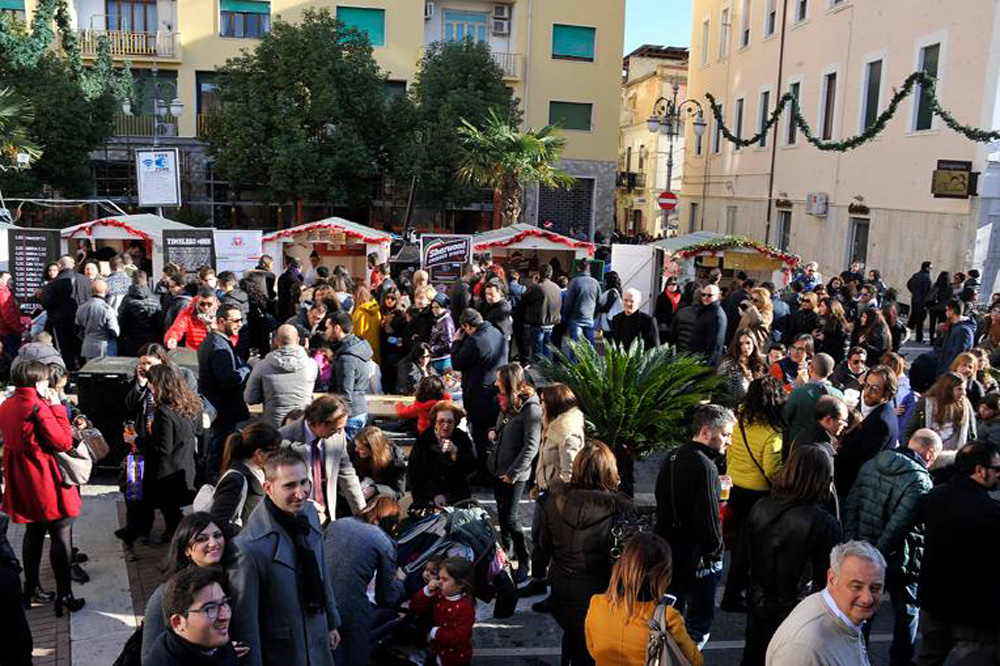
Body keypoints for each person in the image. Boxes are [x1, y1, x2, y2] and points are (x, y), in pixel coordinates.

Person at [727, 446, 843, 665]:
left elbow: (741, 556)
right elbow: (829, 577)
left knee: (754, 655)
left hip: (759, 602)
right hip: (799, 610)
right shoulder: (823, 523)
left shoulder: (761, 507)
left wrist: (733, 594)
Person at [229, 448, 342, 666]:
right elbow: (246, 622)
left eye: (304, 482)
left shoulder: (309, 514)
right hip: (284, 654)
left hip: (317, 640)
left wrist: (330, 622)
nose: (300, 493)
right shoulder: (247, 547)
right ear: (268, 488)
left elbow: (321, 572)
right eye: (289, 485)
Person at [843, 429, 942, 666]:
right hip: (901, 560)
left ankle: (858, 658)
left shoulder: (872, 464)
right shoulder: (919, 480)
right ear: (929, 454)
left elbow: (851, 506)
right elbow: (899, 526)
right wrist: (877, 557)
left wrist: (854, 548)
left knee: (862, 610)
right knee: (907, 612)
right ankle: (900, 661)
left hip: (864, 551)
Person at [0, 360, 84, 614]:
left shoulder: (7, 404)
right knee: (60, 534)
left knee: (33, 533)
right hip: (46, 479)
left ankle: (30, 589)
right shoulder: (39, 407)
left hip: (22, 479)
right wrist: (57, 406)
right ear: (39, 382)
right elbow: (63, 440)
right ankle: (64, 595)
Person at [541, 441, 633, 666]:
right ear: (610, 470)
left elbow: (544, 545)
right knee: (593, 648)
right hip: (599, 591)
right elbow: (628, 557)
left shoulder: (553, 500)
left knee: (572, 637)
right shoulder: (620, 508)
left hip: (562, 585)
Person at [655, 404, 735, 647]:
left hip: (669, 551)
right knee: (697, 629)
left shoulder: (673, 455)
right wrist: (715, 552)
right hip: (695, 556)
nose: (729, 441)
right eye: (725, 434)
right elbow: (709, 519)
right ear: (705, 431)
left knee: (670, 617)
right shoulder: (704, 465)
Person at [917, 441, 1000, 665]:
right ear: (981, 470)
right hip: (973, 609)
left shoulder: (933, 498)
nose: (998, 475)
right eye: (997, 469)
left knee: (928, 657)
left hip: (934, 599)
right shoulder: (991, 511)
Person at [584, 533, 703, 666]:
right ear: (662, 575)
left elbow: (593, 650)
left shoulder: (597, 604)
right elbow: (696, 662)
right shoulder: (667, 617)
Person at [721, 376, 786, 610]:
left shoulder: (738, 419)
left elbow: (729, 452)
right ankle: (740, 596)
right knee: (753, 549)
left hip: (735, 488)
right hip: (758, 496)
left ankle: (731, 593)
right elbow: (772, 470)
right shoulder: (773, 432)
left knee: (739, 545)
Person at [765, 541, 886, 666]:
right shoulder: (804, 647)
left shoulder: (842, 613)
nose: (867, 599)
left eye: (875, 588)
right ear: (832, 579)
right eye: (856, 586)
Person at [521, 382, 587, 601]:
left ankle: (556, 593)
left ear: (554, 404)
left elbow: (569, 472)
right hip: (545, 494)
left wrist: (549, 491)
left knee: (556, 547)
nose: (540, 405)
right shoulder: (553, 424)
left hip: (558, 499)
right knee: (539, 540)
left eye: (543, 401)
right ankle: (538, 581)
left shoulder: (567, 431)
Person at [325, 497, 405, 666]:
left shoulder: (337, 524)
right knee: (355, 657)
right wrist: (400, 582)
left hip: (320, 601)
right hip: (351, 610)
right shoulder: (384, 542)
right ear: (392, 523)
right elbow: (386, 597)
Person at [141, 513, 230, 662]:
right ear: (186, 550)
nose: (213, 543)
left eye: (217, 535)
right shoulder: (167, 593)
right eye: (202, 539)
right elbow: (149, 656)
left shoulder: (230, 578)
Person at [487, 363, 542, 582]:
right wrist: (494, 431)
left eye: (499, 379)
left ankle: (523, 559)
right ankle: (506, 556)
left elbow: (531, 446)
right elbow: (502, 426)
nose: (495, 383)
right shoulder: (509, 402)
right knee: (502, 515)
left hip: (514, 474)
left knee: (511, 518)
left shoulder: (531, 408)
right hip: (499, 469)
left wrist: (512, 473)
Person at [279, 395, 366, 523]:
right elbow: (280, 483)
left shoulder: (337, 437)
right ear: (320, 423)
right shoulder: (284, 439)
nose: (339, 432)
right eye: (335, 428)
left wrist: (362, 514)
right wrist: (306, 504)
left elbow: (347, 473)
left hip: (327, 513)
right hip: (295, 516)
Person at [142, 364, 202, 541]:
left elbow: (163, 448)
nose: (149, 387)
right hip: (187, 466)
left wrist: (137, 440)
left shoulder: (163, 412)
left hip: (166, 474)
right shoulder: (192, 404)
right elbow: (199, 431)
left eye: (151, 383)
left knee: (172, 517)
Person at [145, 566, 239, 666]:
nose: (225, 616)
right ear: (178, 622)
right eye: (210, 608)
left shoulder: (213, 644)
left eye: (224, 602)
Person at [199, 305, 251, 481]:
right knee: (220, 452)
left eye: (240, 320)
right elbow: (227, 380)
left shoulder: (216, 341)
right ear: (221, 321)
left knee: (220, 449)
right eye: (235, 320)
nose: (239, 324)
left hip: (220, 408)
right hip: (223, 409)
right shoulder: (217, 345)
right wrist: (246, 368)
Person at [451, 308, 507, 464]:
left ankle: (484, 471)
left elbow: (456, 363)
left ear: (467, 326)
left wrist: (456, 342)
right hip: (495, 392)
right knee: (492, 433)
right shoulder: (496, 332)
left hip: (479, 396)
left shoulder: (475, 340)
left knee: (480, 437)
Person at [836, 365, 899, 501]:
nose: (867, 392)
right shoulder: (875, 410)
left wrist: (839, 447)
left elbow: (863, 460)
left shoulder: (881, 422)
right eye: (866, 386)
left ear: (887, 393)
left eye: (875, 389)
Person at [211, 422, 280, 536]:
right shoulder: (235, 479)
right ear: (259, 453)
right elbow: (219, 521)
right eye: (274, 451)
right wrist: (247, 535)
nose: (278, 455)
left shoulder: (260, 471)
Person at [243, 325, 318, 428]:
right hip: (302, 425)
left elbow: (250, 398)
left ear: (275, 341)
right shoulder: (312, 365)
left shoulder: (262, 366)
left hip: (273, 427)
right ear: (298, 340)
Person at [407, 556, 476, 666]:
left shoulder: (465, 608)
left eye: (445, 579)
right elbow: (415, 607)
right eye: (439, 578)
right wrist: (427, 592)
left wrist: (435, 632)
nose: (439, 582)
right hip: (436, 651)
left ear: (461, 584)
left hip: (455, 658)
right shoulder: (439, 595)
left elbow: (460, 636)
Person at [407, 400, 476, 509]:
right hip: (428, 497)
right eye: (441, 421)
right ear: (435, 422)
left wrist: (455, 453)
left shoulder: (462, 438)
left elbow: (471, 468)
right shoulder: (424, 439)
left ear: (455, 423)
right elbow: (415, 474)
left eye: (450, 422)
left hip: (456, 496)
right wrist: (434, 494)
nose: (445, 425)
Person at [903, 371, 976, 459]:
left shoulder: (965, 405)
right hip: (929, 458)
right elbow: (910, 430)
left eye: (964, 389)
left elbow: (971, 433)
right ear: (947, 389)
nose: (964, 393)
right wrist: (909, 455)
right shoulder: (926, 404)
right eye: (959, 389)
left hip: (955, 458)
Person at [326, 311, 373, 441]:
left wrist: (340, 421)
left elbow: (345, 394)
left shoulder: (347, 357)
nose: (326, 332)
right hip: (358, 410)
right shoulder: (357, 347)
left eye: (328, 327)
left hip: (349, 417)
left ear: (337, 328)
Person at [781, 352, 843, 446]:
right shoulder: (838, 395)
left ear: (811, 369)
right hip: (824, 446)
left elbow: (784, 417)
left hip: (797, 445)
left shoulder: (799, 392)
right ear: (831, 372)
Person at [350, 426, 406, 502]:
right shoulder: (353, 450)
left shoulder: (395, 461)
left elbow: (398, 493)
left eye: (361, 449)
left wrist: (376, 489)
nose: (356, 449)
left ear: (374, 449)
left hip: (379, 499)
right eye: (356, 446)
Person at [118, 270, 163, 357]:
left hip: (132, 340)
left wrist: (121, 338)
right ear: (146, 281)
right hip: (152, 339)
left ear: (132, 281)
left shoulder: (127, 300)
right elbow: (159, 321)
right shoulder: (155, 299)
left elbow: (121, 320)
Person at [522, 263, 562, 360]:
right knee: (547, 349)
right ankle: (547, 370)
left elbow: (524, 299)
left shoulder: (537, 287)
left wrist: (533, 284)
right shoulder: (556, 287)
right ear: (551, 274)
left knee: (538, 352)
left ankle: (539, 372)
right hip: (551, 323)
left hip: (539, 323)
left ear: (539, 274)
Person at [74, 277, 119, 359]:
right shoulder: (107, 309)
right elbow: (114, 332)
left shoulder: (81, 307)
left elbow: (77, 329)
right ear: (106, 291)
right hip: (104, 348)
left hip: (87, 347)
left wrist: (86, 338)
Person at [717, 330, 767, 404]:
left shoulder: (757, 364)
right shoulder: (729, 365)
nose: (745, 347)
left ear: (754, 344)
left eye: (748, 343)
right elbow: (730, 394)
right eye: (741, 344)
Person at [563, 258, 601, 346]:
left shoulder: (574, 282)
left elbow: (568, 302)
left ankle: (574, 360)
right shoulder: (595, 283)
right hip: (590, 317)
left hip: (576, 318)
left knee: (576, 348)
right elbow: (598, 302)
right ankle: (592, 360)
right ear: (589, 268)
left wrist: (567, 316)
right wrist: (594, 315)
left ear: (578, 268)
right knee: (591, 346)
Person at [936, 299, 976, 376]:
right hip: (945, 369)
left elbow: (958, 356)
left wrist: (947, 372)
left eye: (947, 309)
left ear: (952, 311)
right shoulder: (953, 326)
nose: (945, 312)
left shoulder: (963, 331)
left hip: (953, 374)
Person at [689, 284, 727, 366]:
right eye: (703, 294)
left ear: (718, 296)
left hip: (703, 364)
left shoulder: (717, 315)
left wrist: (704, 365)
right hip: (695, 359)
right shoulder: (705, 310)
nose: (705, 297)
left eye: (709, 295)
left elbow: (715, 345)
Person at [351, 284, 381, 365]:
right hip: (375, 348)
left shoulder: (359, 313)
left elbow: (356, 334)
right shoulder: (376, 310)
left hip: (363, 352)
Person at [815, 297, 850, 364]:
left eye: (822, 306)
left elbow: (841, 342)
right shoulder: (825, 320)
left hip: (834, 359)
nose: (820, 309)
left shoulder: (839, 324)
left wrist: (824, 338)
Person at [907, 262, 933, 344]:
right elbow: (928, 291)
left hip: (915, 300)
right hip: (922, 302)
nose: (931, 270)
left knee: (912, 319)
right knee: (919, 321)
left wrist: (914, 292)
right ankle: (919, 338)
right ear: (927, 268)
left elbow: (908, 284)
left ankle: (906, 334)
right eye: (930, 268)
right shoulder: (926, 278)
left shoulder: (915, 275)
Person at [429, 293, 456, 372]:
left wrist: (433, 349)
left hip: (443, 361)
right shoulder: (440, 320)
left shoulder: (446, 322)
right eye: (433, 307)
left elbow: (449, 344)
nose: (434, 310)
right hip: (438, 360)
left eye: (437, 307)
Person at [926, 271, 953, 346]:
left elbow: (929, 295)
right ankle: (938, 339)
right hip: (943, 309)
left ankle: (931, 339)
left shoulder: (936, 285)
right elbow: (949, 299)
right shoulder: (949, 288)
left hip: (933, 307)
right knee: (941, 325)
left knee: (932, 325)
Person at [653, 277, 681, 343]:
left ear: (677, 285)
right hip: (664, 326)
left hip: (677, 327)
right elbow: (657, 312)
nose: (671, 286)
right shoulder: (661, 296)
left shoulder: (681, 297)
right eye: (669, 284)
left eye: (673, 284)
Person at [277, 257, 305, 322]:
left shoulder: (282, 276)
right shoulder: (295, 280)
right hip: (290, 310)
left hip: (281, 307)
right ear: (299, 268)